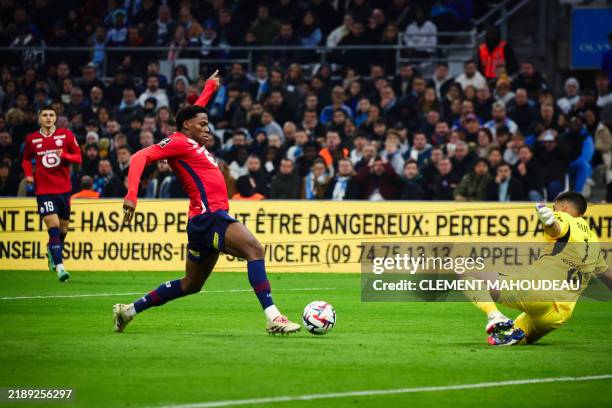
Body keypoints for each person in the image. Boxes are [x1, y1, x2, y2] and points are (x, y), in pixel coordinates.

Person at [113, 71, 300, 335]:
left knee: (191, 285)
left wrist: (210, 87)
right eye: (202, 125)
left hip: (201, 221)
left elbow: (196, 109)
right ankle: (274, 317)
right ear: (186, 126)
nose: (207, 128)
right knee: (255, 250)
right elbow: (139, 157)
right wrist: (132, 195)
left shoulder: (193, 143)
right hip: (209, 217)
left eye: (208, 124)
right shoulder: (178, 141)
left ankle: (128, 310)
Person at [465, 192, 609, 345]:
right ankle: (514, 337)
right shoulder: (593, 241)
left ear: (563, 207)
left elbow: (556, 229)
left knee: (465, 271)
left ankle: (494, 316)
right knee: (513, 336)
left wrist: (548, 222)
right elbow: (606, 274)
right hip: (558, 315)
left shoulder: (564, 217)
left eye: (554, 206)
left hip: (539, 291)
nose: (553, 210)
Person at [21, 106, 82, 281]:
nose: (48, 118)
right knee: (53, 226)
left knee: (63, 229)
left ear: (55, 118)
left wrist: (65, 156)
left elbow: (78, 157)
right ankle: (60, 267)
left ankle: (51, 250)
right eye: (45, 115)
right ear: (39, 118)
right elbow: (25, 159)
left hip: (64, 189)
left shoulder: (66, 135)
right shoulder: (32, 139)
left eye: (51, 115)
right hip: (44, 191)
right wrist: (28, 175)